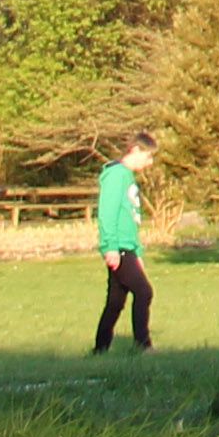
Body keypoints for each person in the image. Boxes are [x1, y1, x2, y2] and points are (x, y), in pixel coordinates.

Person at [91, 138, 156, 354]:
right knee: (144, 292)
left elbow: (130, 219)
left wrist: (137, 252)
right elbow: (107, 213)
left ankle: (100, 350)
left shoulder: (128, 177)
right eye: (148, 156)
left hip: (127, 247)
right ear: (135, 149)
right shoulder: (116, 175)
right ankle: (143, 345)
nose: (150, 163)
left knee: (116, 302)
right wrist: (109, 247)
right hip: (118, 247)